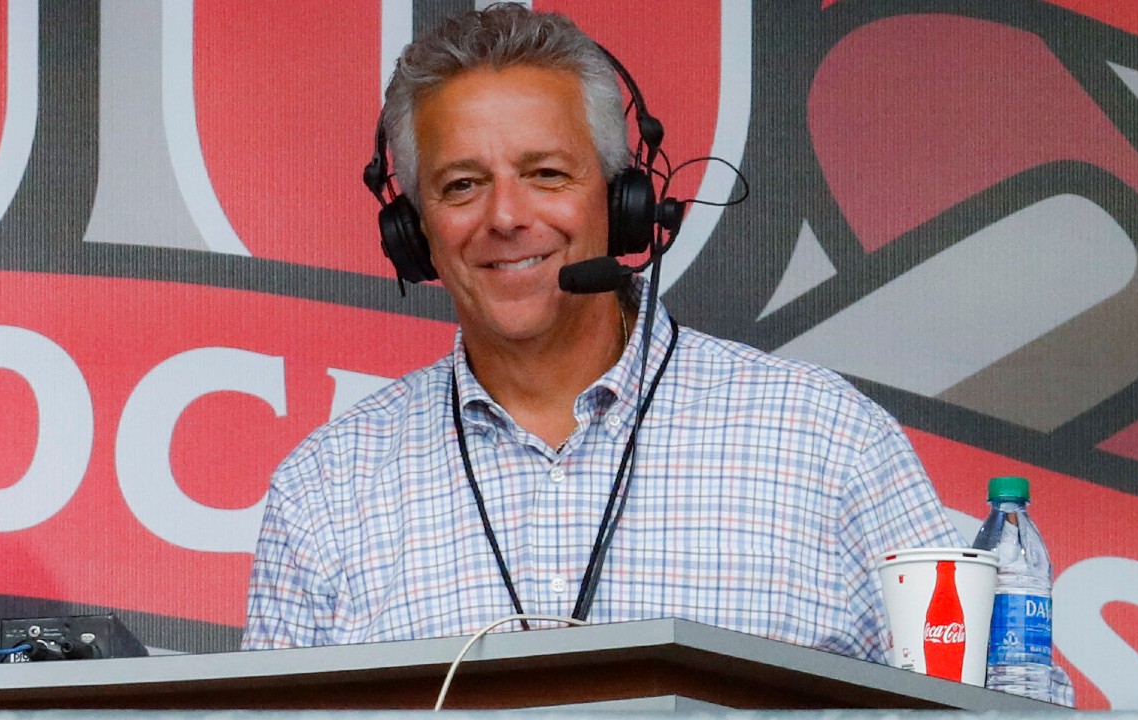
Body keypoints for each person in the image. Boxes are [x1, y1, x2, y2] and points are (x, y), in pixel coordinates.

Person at [245, 2, 1059, 699]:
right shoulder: (325, 493)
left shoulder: (827, 442)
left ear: (627, 200)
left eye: (547, 173)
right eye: (462, 185)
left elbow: (1009, 704)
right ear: (413, 228)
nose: (505, 216)